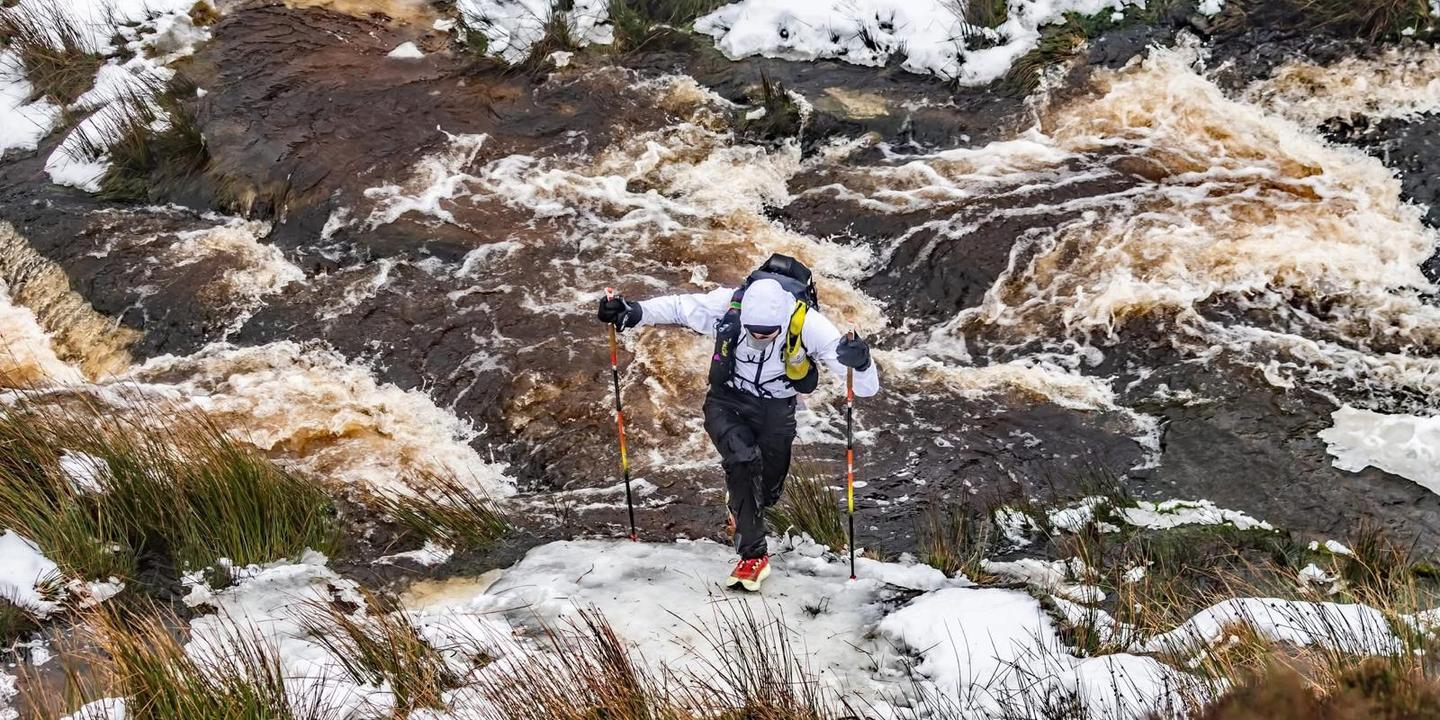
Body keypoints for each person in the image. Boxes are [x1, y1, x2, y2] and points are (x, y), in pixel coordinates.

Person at [597, 255, 879, 591]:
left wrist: (861, 362)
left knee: (768, 492)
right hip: (726, 400)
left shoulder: (810, 324)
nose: (759, 338)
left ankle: (742, 509)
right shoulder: (730, 305)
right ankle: (753, 555)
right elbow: (679, 307)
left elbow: (864, 387)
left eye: (768, 333)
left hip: (777, 408)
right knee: (743, 461)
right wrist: (633, 312)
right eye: (753, 332)